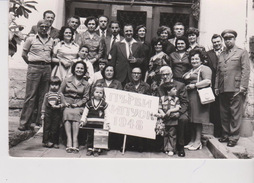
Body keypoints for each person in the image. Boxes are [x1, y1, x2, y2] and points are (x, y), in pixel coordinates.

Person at [215, 29, 250, 147]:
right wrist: (216, 87)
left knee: (235, 113)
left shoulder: (241, 52)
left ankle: (233, 137)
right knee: (224, 113)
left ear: (234, 39)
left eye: (230, 38)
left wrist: (243, 87)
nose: (228, 41)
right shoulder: (222, 54)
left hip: (236, 88)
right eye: (226, 39)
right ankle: (225, 135)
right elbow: (218, 72)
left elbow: (246, 70)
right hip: (222, 87)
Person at [18, 20, 54, 131]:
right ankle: (24, 122)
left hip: (47, 68)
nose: (44, 28)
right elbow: (24, 54)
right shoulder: (31, 39)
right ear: (37, 27)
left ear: (49, 28)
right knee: (30, 96)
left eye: (46, 27)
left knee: (43, 96)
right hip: (34, 67)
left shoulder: (52, 41)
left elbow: (51, 55)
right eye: (41, 26)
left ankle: (39, 122)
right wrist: (31, 64)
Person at [183, 49, 212, 151]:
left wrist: (194, 85)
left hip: (198, 96)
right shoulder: (192, 70)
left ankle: (198, 141)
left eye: (196, 59)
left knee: (197, 120)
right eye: (192, 59)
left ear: (201, 60)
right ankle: (192, 140)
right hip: (191, 96)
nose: (194, 61)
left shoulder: (205, 69)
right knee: (192, 119)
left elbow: (208, 81)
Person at [157, 66, 188, 157]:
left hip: (177, 110)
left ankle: (180, 146)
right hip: (164, 111)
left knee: (183, 119)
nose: (165, 77)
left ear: (171, 75)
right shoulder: (160, 87)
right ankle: (162, 145)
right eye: (163, 75)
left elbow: (185, 103)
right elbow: (159, 101)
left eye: (167, 74)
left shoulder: (180, 85)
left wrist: (179, 112)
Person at [60, 61, 90, 153]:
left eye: (81, 68)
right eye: (77, 68)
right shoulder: (67, 80)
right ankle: (69, 140)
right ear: (74, 69)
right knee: (67, 112)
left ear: (84, 70)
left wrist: (78, 104)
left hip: (78, 105)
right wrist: (64, 102)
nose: (79, 70)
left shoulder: (86, 84)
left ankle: (75, 140)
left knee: (76, 113)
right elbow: (60, 93)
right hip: (67, 104)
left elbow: (86, 98)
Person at [124, 67, 151, 152]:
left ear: (141, 75)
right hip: (130, 111)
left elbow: (149, 99)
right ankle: (128, 144)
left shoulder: (146, 86)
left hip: (141, 112)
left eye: (138, 73)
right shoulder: (127, 85)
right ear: (131, 74)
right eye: (134, 73)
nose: (136, 75)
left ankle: (140, 145)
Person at [80, 84, 110, 157]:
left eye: (101, 93)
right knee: (90, 136)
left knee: (98, 136)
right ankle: (90, 149)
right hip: (90, 123)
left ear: (103, 94)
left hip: (99, 124)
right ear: (93, 92)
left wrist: (107, 123)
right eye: (97, 92)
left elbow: (107, 114)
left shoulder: (104, 104)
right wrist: (82, 121)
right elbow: (85, 113)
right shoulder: (89, 103)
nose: (98, 94)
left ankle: (97, 150)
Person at [206, 34, 225, 137]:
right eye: (214, 42)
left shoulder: (227, 52)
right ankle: (217, 132)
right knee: (215, 108)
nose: (216, 44)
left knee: (225, 108)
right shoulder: (208, 54)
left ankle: (225, 132)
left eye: (218, 42)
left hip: (225, 84)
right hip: (213, 84)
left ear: (221, 41)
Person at [41, 76, 67, 148]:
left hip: (56, 113)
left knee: (55, 128)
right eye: (52, 85)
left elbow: (64, 103)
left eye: (56, 85)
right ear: (49, 85)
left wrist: (58, 106)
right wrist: (43, 113)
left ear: (59, 86)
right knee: (47, 127)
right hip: (48, 113)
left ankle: (55, 141)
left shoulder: (60, 95)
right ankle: (46, 141)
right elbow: (44, 104)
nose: (54, 87)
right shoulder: (47, 94)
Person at [157, 83, 181, 156]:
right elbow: (159, 107)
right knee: (165, 134)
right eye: (174, 89)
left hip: (172, 120)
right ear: (168, 91)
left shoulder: (176, 99)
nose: (176, 90)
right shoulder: (162, 99)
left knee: (172, 135)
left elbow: (177, 107)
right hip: (164, 121)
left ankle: (171, 149)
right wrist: (162, 113)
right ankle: (165, 148)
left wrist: (170, 111)